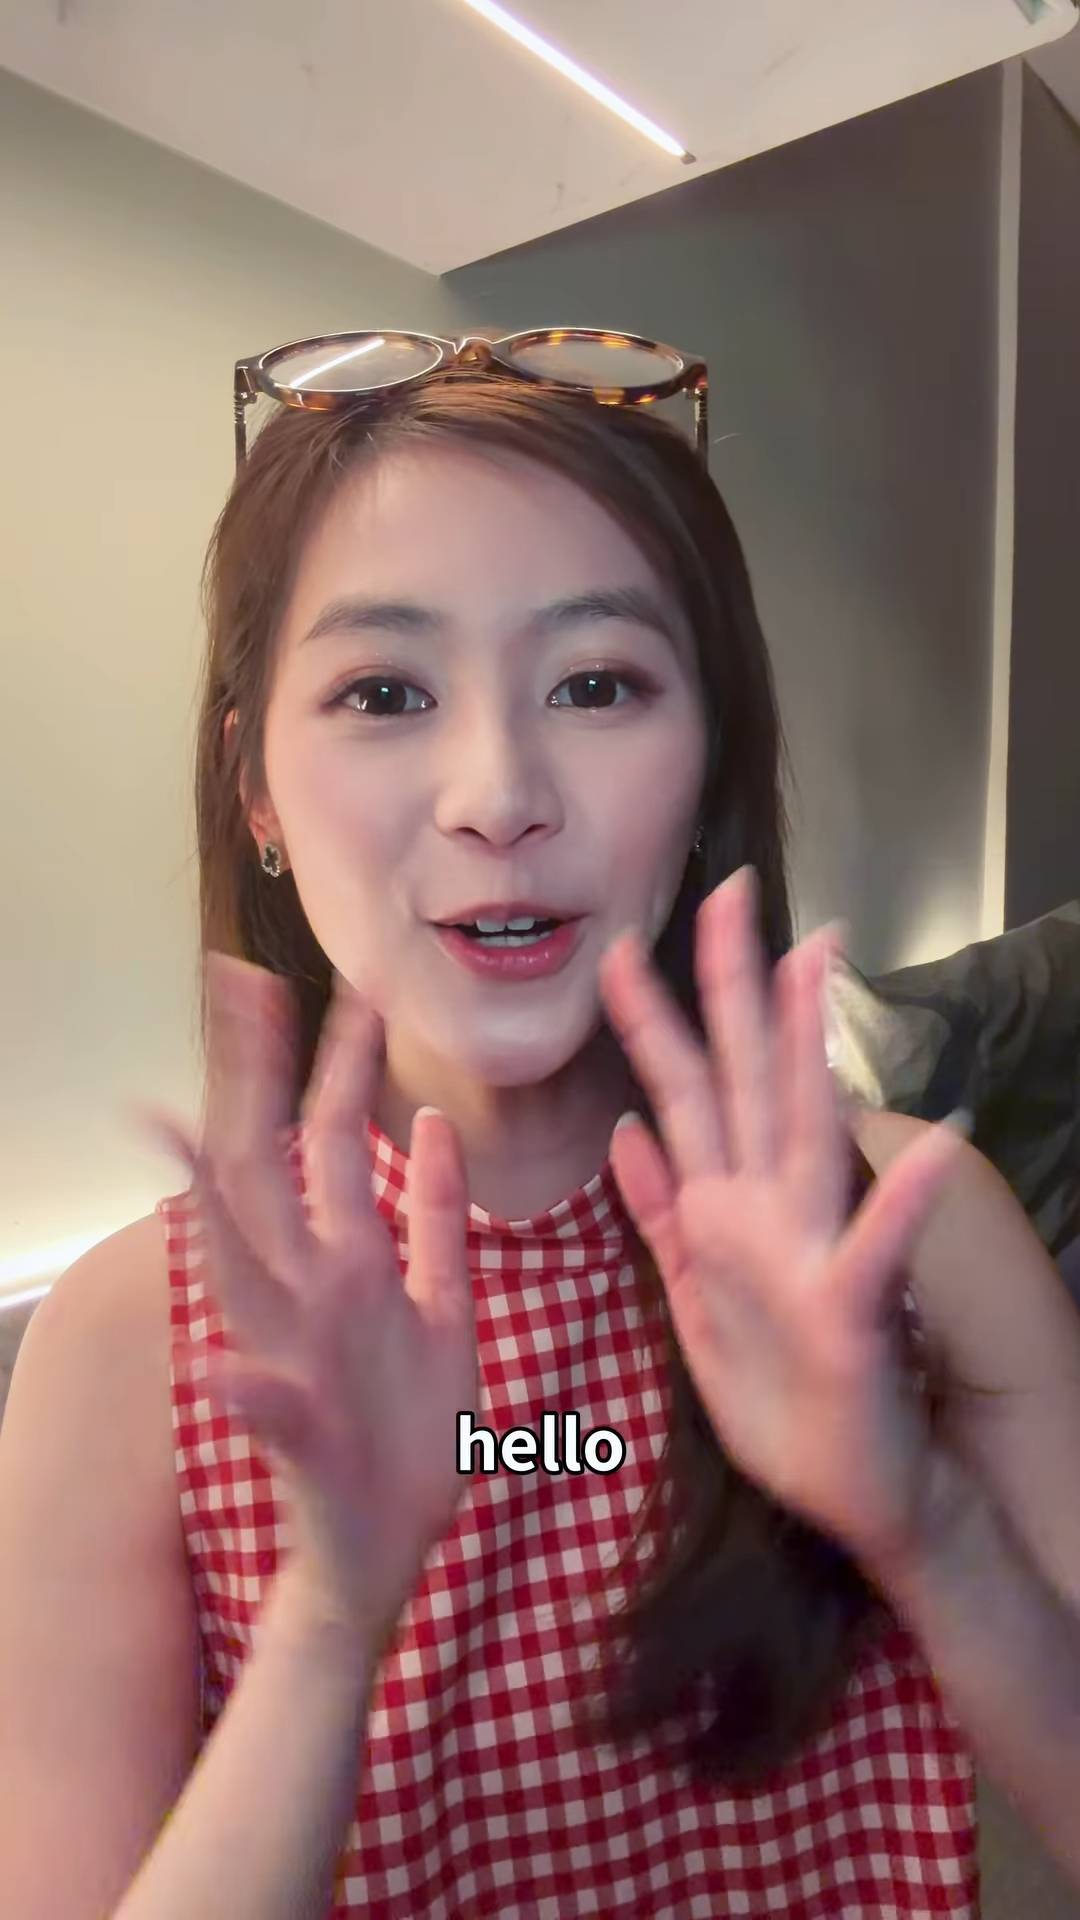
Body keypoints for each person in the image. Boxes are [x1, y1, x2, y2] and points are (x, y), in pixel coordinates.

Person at [3, 330, 1080, 1920]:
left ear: (708, 758)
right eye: (384, 692)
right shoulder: (131, 1349)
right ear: (255, 792)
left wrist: (924, 1520)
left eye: (597, 684)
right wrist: (330, 1615)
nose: (499, 794)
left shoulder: (915, 1229)